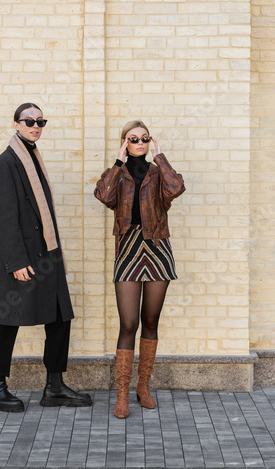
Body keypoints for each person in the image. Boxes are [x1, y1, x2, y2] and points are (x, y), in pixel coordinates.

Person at [0, 102, 92, 412]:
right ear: (16, 124)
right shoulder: (5, 164)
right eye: (29, 120)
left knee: (60, 317)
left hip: (47, 254)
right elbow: (3, 219)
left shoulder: (32, 158)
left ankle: (54, 387)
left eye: (40, 121)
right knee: (8, 321)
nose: (35, 125)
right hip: (23, 258)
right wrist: (16, 262)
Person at [94, 120, 185, 419]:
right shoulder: (117, 175)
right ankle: (122, 392)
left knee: (150, 320)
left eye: (144, 138)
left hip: (157, 247)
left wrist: (161, 156)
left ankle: (142, 387)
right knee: (129, 323)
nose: (139, 143)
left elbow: (176, 188)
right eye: (133, 139)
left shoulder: (159, 173)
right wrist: (118, 162)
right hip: (129, 248)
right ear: (125, 143)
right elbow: (103, 196)